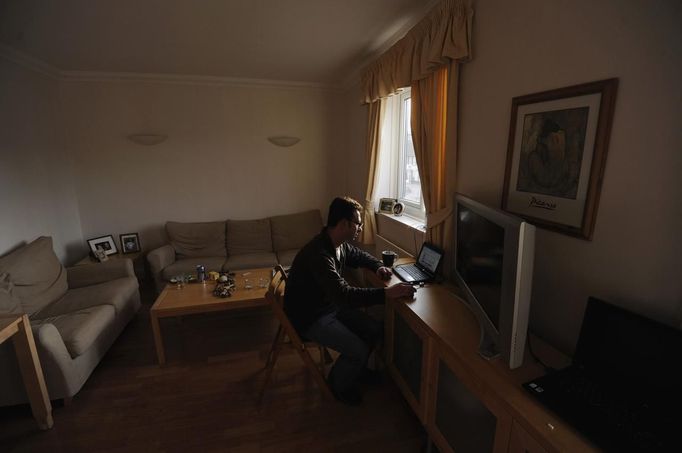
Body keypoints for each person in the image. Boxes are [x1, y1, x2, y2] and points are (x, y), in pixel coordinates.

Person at [284, 196, 416, 405]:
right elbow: (344, 295)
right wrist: (386, 295)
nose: (360, 228)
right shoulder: (319, 254)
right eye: (358, 223)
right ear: (344, 224)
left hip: (327, 307)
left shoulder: (338, 243)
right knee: (358, 349)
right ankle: (338, 385)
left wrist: (376, 265)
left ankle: (356, 371)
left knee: (375, 330)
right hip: (310, 317)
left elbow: (357, 255)